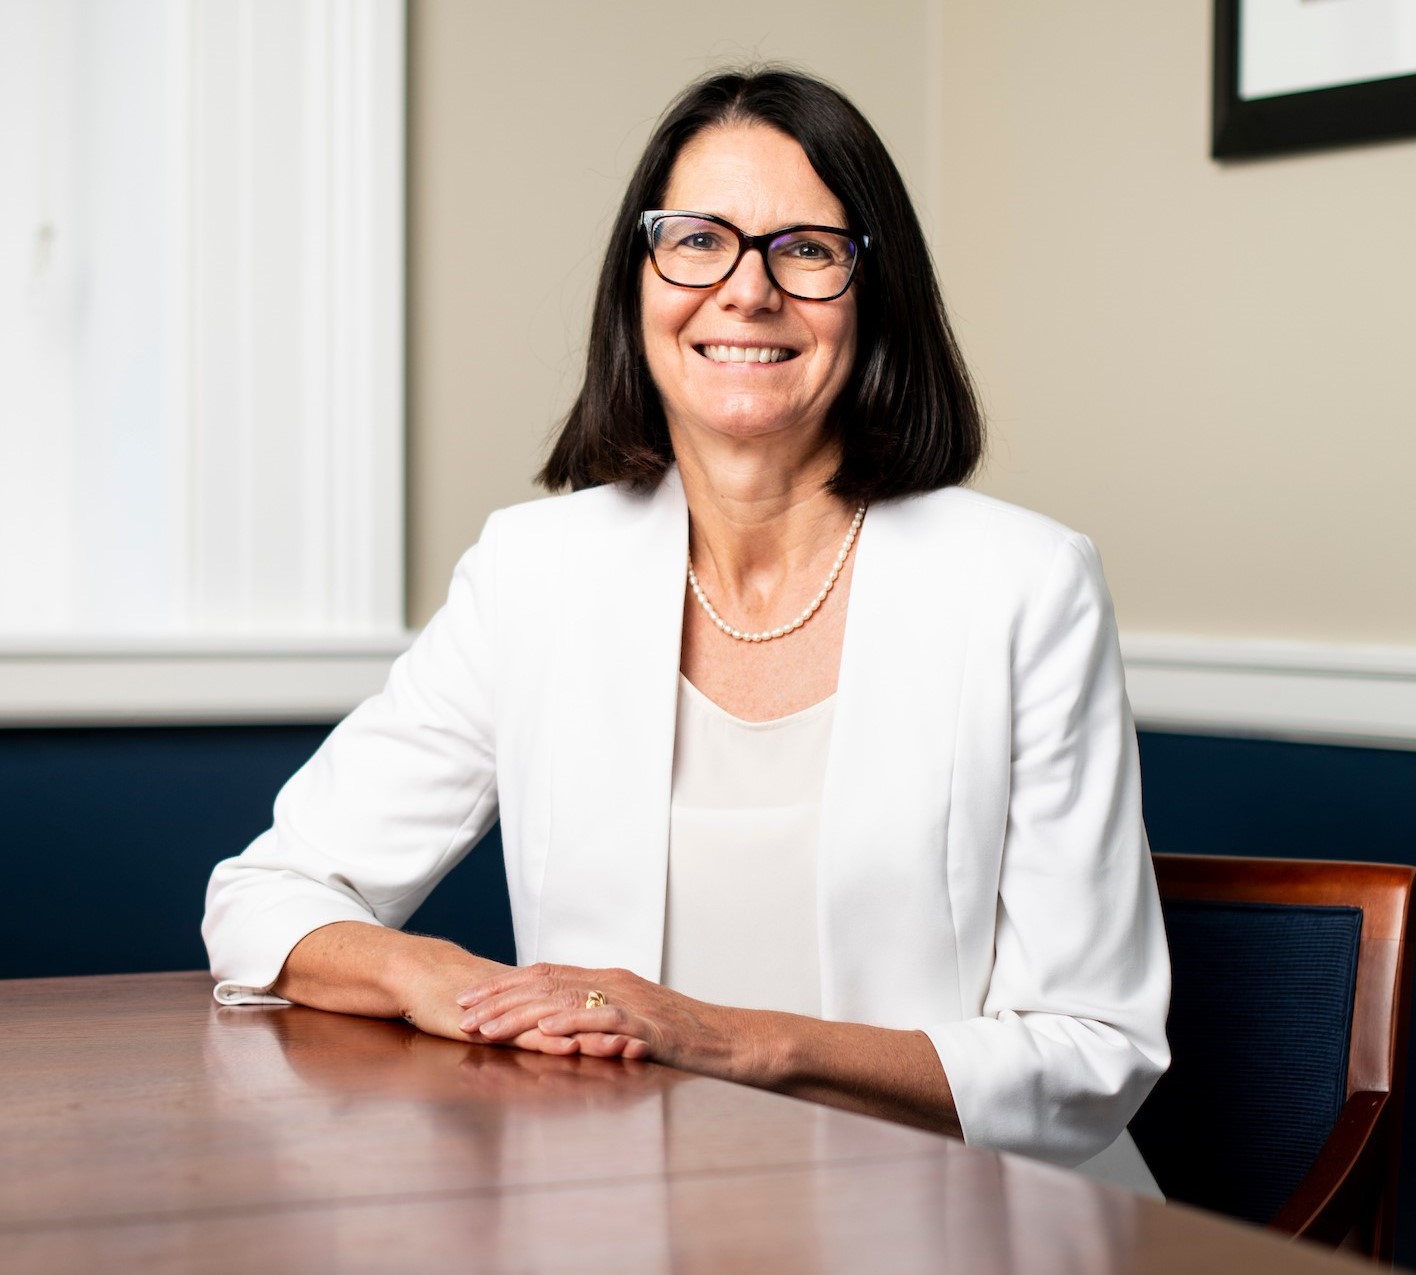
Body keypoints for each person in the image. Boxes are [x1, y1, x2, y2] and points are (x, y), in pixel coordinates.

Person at [203, 67, 1169, 1189]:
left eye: (806, 248)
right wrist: (456, 989)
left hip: (969, 1226)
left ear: (876, 294)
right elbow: (266, 897)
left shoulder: (1025, 584)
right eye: (697, 239)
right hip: (621, 1217)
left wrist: (719, 1038)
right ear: (639, 286)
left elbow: (1095, 1052)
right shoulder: (535, 573)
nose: (745, 291)